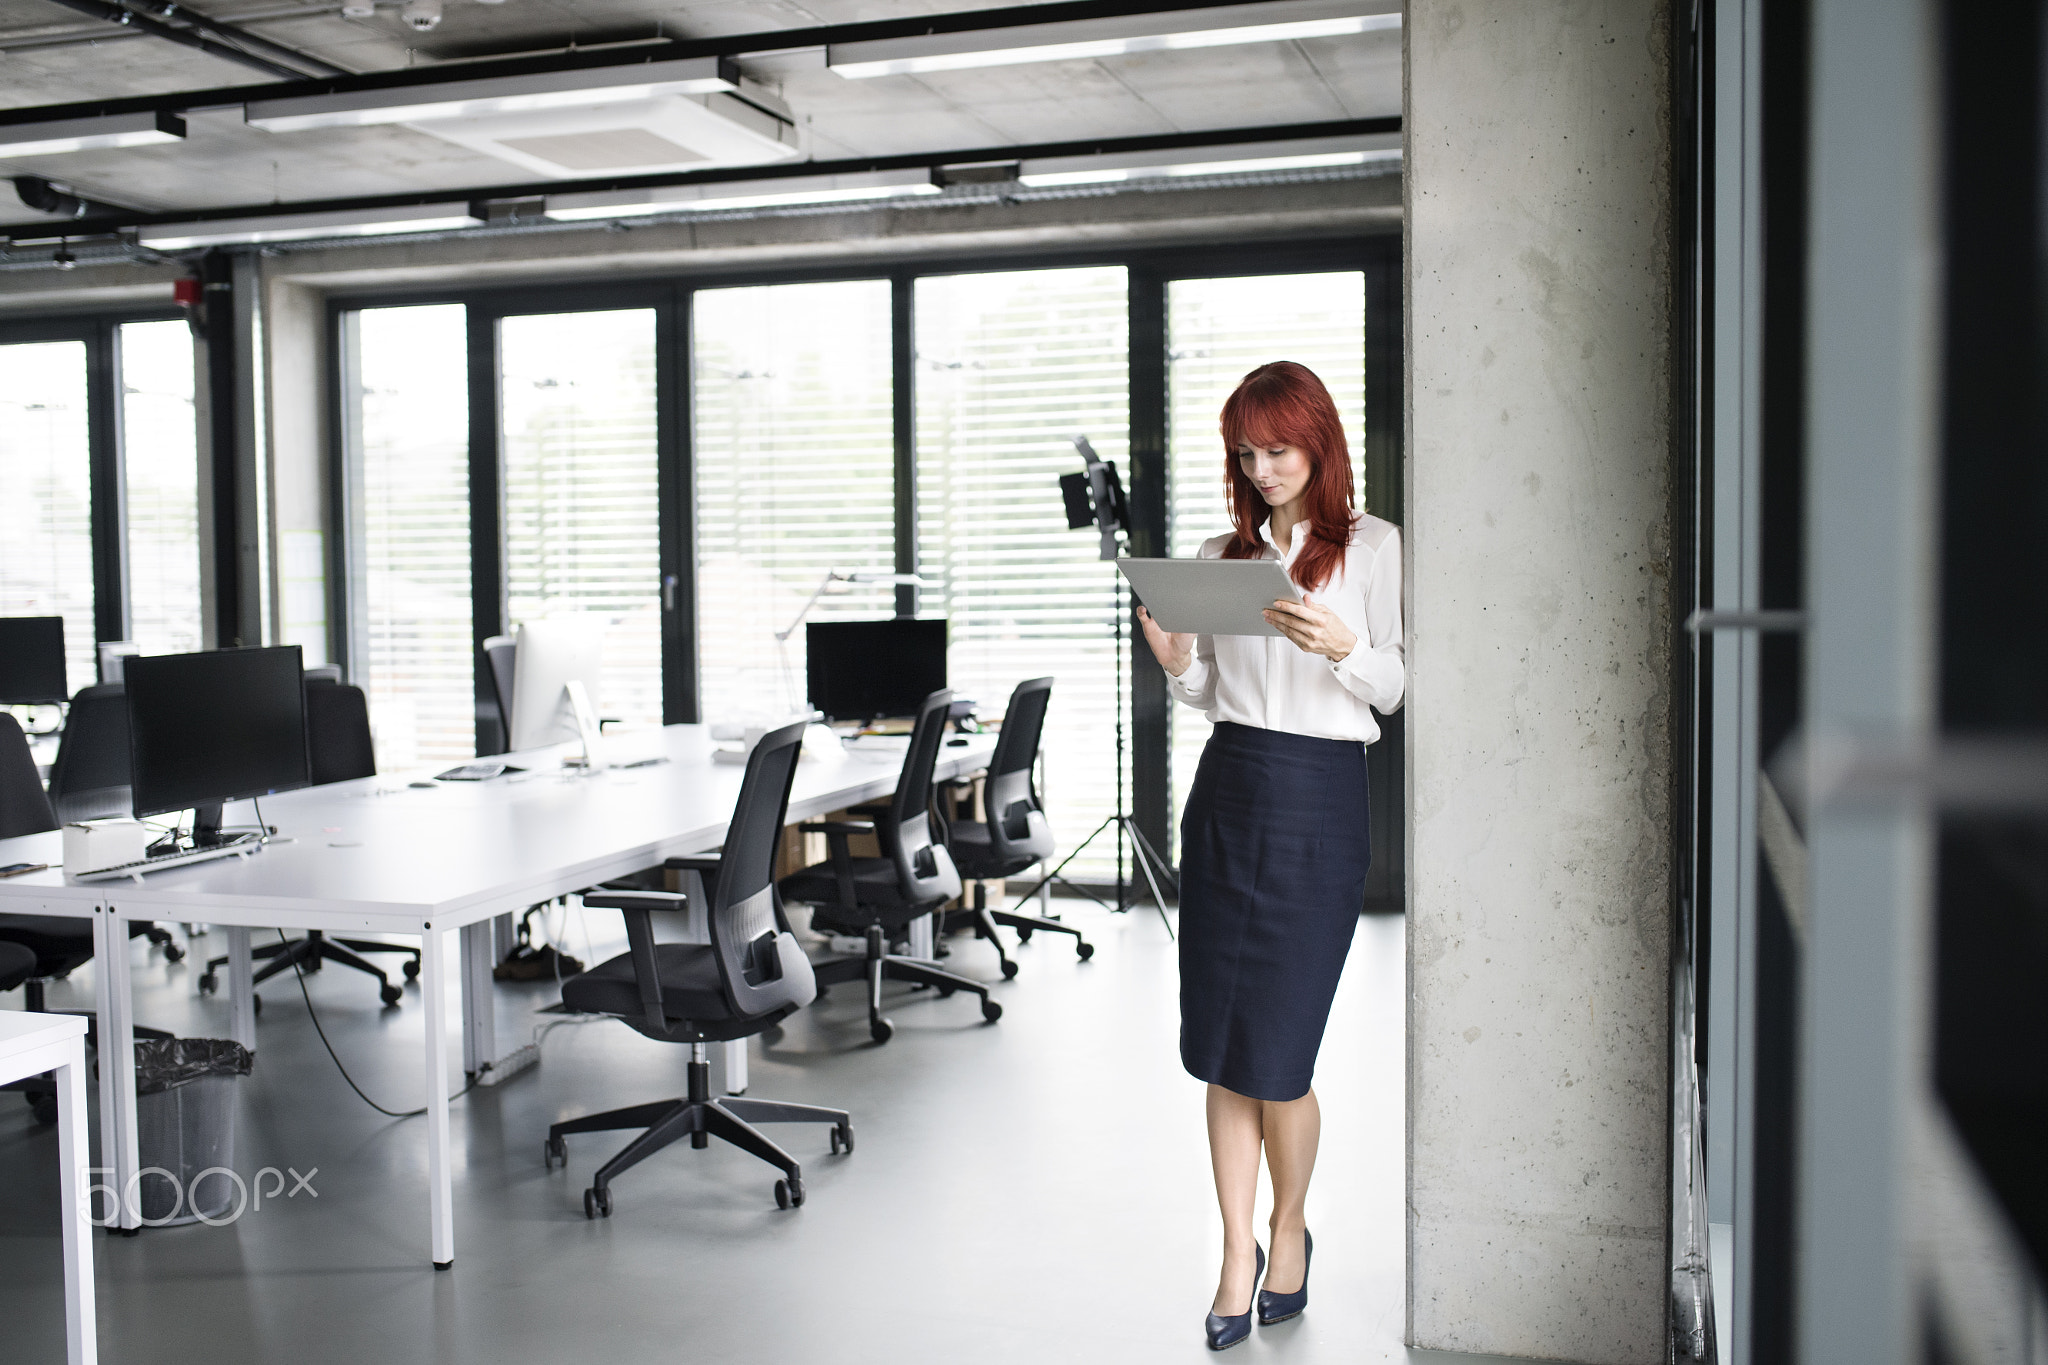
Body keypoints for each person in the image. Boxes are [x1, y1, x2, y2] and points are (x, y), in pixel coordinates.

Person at [1137, 360, 1404, 1351]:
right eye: (1244, 455)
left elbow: (1393, 689)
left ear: (1319, 444)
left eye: (1276, 451)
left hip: (1320, 801)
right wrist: (1176, 667)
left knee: (1278, 1057)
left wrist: (1339, 644)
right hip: (1228, 792)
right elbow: (1212, 693)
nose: (1259, 470)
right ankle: (1234, 1252)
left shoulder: (1372, 549)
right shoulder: (1222, 553)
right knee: (1220, 1049)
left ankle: (1288, 1228)